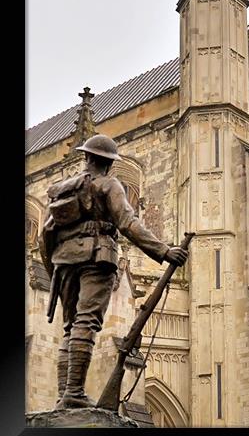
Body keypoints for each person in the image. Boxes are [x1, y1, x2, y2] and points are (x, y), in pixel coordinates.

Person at [39, 134, 188, 410]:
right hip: (97, 259)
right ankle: (73, 392)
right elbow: (128, 223)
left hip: (64, 264)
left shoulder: (62, 189)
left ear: (86, 158)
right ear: (108, 164)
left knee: (70, 327)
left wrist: (54, 270)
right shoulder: (109, 184)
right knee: (86, 323)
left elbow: (45, 234)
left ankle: (65, 394)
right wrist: (165, 252)